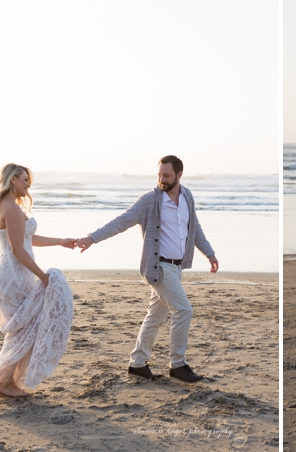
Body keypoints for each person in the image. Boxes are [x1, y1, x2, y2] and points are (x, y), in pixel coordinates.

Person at [75, 155, 218, 383]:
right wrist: (92, 238)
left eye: (167, 175)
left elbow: (195, 228)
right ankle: (178, 365)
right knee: (184, 310)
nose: (162, 179)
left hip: (176, 267)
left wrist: (209, 253)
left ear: (179, 174)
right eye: (159, 174)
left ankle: (137, 363)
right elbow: (122, 221)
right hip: (158, 267)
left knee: (155, 316)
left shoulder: (187, 196)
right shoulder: (150, 200)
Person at [0, 164, 75, 398]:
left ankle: (8, 381)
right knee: (24, 325)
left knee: (24, 324)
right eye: (24, 179)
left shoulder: (8, 206)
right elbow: (18, 250)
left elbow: (28, 239)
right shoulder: (10, 208)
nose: (28, 185)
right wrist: (43, 276)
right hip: (14, 271)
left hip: (12, 270)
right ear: (12, 180)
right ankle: (6, 382)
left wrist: (61, 241)